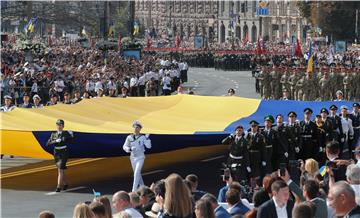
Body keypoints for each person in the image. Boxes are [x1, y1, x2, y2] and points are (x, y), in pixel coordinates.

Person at [46, 119, 74, 192]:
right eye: (58, 125)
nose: (59, 126)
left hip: (64, 152)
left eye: (60, 125)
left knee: (60, 170)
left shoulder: (65, 133)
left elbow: (72, 140)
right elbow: (47, 143)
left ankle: (58, 187)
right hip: (56, 153)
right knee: (60, 169)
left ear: (63, 126)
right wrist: (55, 141)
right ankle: (65, 183)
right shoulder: (53, 134)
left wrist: (71, 135)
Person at [123, 121, 151, 192]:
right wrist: (128, 149)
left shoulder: (143, 137)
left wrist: (147, 139)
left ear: (140, 129)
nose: (136, 129)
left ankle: (134, 190)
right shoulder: (129, 137)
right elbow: (125, 146)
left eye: (137, 127)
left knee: (136, 173)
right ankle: (143, 188)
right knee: (137, 174)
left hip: (140, 157)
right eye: (135, 127)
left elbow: (149, 147)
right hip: (132, 157)